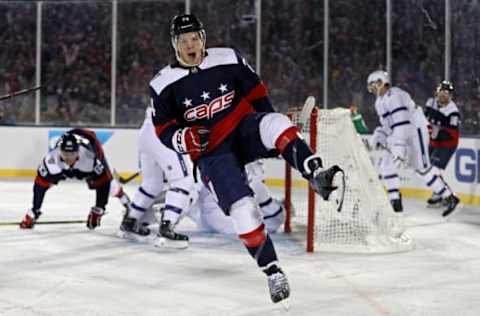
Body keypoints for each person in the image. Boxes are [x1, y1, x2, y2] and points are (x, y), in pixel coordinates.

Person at [149, 14, 342, 304]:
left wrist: (269, 122)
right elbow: (163, 130)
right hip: (212, 154)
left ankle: (315, 173)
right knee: (242, 210)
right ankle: (272, 269)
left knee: (275, 123)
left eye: (195, 38)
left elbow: (257, 92)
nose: (191, 45)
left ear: (203, 38)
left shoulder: (227, 57)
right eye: (184, 40)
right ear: (175, 45)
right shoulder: (163, 83)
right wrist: (183, 139)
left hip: (243, 128)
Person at [367, 70, 459, 217]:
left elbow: (402, 122)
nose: (371, 89)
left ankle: (450, 197)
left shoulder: (395, 95)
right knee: (387, 164)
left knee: (422, 168)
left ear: (380, 82)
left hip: (416, 131)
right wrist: (379, 135)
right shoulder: (380, 102)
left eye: (373, 85)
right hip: (402, 134)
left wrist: (398, 146)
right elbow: (388, 126)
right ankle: (395, 202)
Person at [19, 129, 131, 229]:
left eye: (72, 154)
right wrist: (35, 210)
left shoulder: (90, 158)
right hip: (76, 149)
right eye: (65, 154)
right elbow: (40, 184)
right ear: (59, 151)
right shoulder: (52, 159)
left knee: (110, 186)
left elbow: (103, 183)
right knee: (48, 182)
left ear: (78, 152)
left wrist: (98, 209)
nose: (68, 158)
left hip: (92, 142)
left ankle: (125, 201)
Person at [118, 107, 196, 249]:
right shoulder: (189, 86)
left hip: (147, 130)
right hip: (166, 131)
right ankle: (166, 231)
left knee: (152, 183)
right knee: (182, 181)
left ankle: (129, 222)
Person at [424, 80, 460, 209]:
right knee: (427, 169)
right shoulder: (430, 103)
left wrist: (434, 131)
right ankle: (439, 193)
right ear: (437, 93)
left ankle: (447, 195)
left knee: (433, 170)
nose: (444, 95)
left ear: (451, 96)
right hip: (434, 142)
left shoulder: (453, 111)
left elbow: (450, 132)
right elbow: (424, 119)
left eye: (447, 93)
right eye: (442, 92)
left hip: (447, 143)